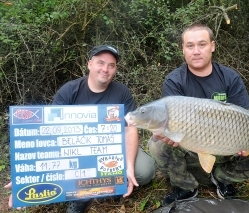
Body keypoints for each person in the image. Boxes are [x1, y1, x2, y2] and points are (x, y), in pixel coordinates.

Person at [5, 44, 156, 213]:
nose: (105, 69)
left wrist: (128, 166)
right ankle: (81, 196)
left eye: (111, 65)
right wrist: (25, 177)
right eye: (100, 63)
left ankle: (114, 183)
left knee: (145, 171)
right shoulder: (69, 90)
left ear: (115, 69)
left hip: (113, 147)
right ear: (89, 64)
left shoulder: (122, 92)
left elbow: (130, 129)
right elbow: (48, 133)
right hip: (74, 150)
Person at [148, 23, 249, 206]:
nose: (196, 51)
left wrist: (248, 144)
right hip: (191, 145)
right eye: (190, 46)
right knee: (157, 143)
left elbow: (246, 119)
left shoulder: (230, 78)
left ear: (212, 46)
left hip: (228, 145)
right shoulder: (174, 81)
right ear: (183, 49)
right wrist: (166, 133)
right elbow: (168, 125)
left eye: (202, 44)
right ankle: (186, 187)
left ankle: (223, 178)